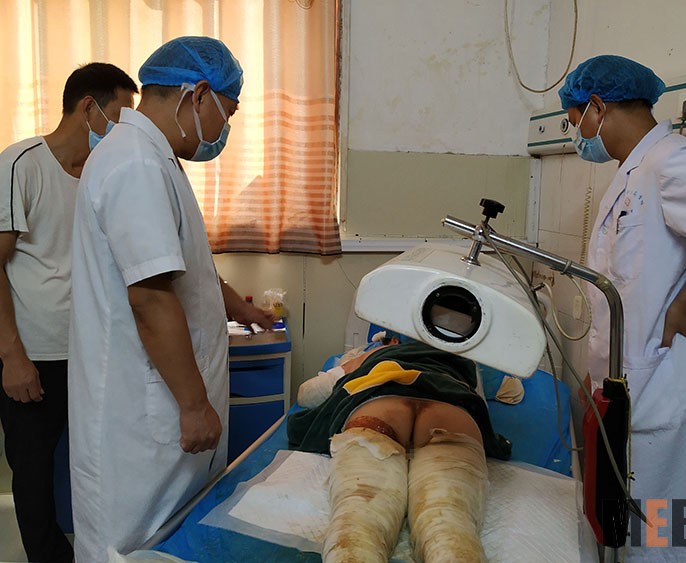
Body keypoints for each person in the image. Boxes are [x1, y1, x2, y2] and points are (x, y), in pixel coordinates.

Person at [67, 36, 272, 562]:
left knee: (171, 543)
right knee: (134, 548)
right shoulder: (135, 164)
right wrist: (195, 405)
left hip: (161, 413)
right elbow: (150, 298)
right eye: (228, 113)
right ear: (197, 94)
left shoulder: (156, 158)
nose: (224, 130)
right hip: (142, 419)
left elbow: (180, 266)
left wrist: (238, 307)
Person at [558, 54, 686, 561]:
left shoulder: (672, 162)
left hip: (670, 395)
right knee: (638, 542)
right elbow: (629, 290)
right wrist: (596, 373)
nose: (577, 135)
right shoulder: (635, 172)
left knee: (666, 547)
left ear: (597, 106)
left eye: (574, 121)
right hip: (633, 391)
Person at [0, 62, 137, 563]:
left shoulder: (106, 172)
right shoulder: (21, 164)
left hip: (94, 352)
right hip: (36, 355)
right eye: (120, 114)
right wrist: (12, 357)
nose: (124, 128)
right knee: (34, 473)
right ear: (88, 108)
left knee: (96, 463)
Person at [288, 337, 511, 562]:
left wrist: (349, 365)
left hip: (380, 405)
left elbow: (307, 394)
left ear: (395, 338)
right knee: (449, 529)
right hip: (450, 410)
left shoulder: (378, 352)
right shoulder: (466, 359)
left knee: (356, 527)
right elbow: (507, 391)